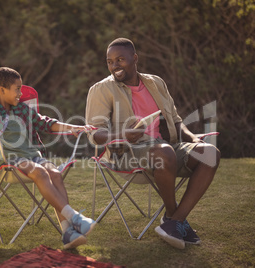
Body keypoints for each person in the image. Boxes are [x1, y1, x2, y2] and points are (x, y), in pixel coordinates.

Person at [85, 38, 220, 249]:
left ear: (135, 58)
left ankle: (174, 221)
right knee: (164, 152)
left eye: (120, 59)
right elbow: (95, 134)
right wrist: (123, 133)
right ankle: (174, 217)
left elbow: (176, 120)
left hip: (165, 147)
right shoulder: (101, 89)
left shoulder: (155, 82)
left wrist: (193, 139)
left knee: (210, 153)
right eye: (110, 61)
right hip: (126, 153)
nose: (115, 66)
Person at [0, 67, 96, 249]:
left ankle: (68, 231)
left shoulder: (22, 109)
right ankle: (75, 218)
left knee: (54, 172)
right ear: (2, 90)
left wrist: (72, 127)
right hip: (8, 159)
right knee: (41, 173)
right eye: (17, 89)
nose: (21, 93)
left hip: (30, 155)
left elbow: (45, 123)